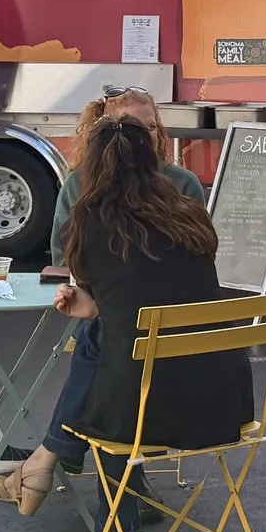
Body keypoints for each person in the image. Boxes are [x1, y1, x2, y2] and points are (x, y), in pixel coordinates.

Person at [0, 115, 254, 532]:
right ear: (154, 161)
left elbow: (108, 294)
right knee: (110, 346)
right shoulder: (189, 213)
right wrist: (95, 311)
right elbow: (153, 290)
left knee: (117, 377)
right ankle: (90, 506)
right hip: (224, 402)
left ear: (90, 166)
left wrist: (87, 306)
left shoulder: (90, 223)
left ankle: (61, 469)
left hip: (144, 410)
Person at [41, 88, 211, 483]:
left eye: (152, 127)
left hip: (162, 326)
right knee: (111, 337)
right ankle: (122, 503)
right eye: (136, 129)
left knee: (105, 340)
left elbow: (182, 271)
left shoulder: (182, 185)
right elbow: (63, 259)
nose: (146, 137)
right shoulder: (79, 186)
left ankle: (58, 448)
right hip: (218, 386)